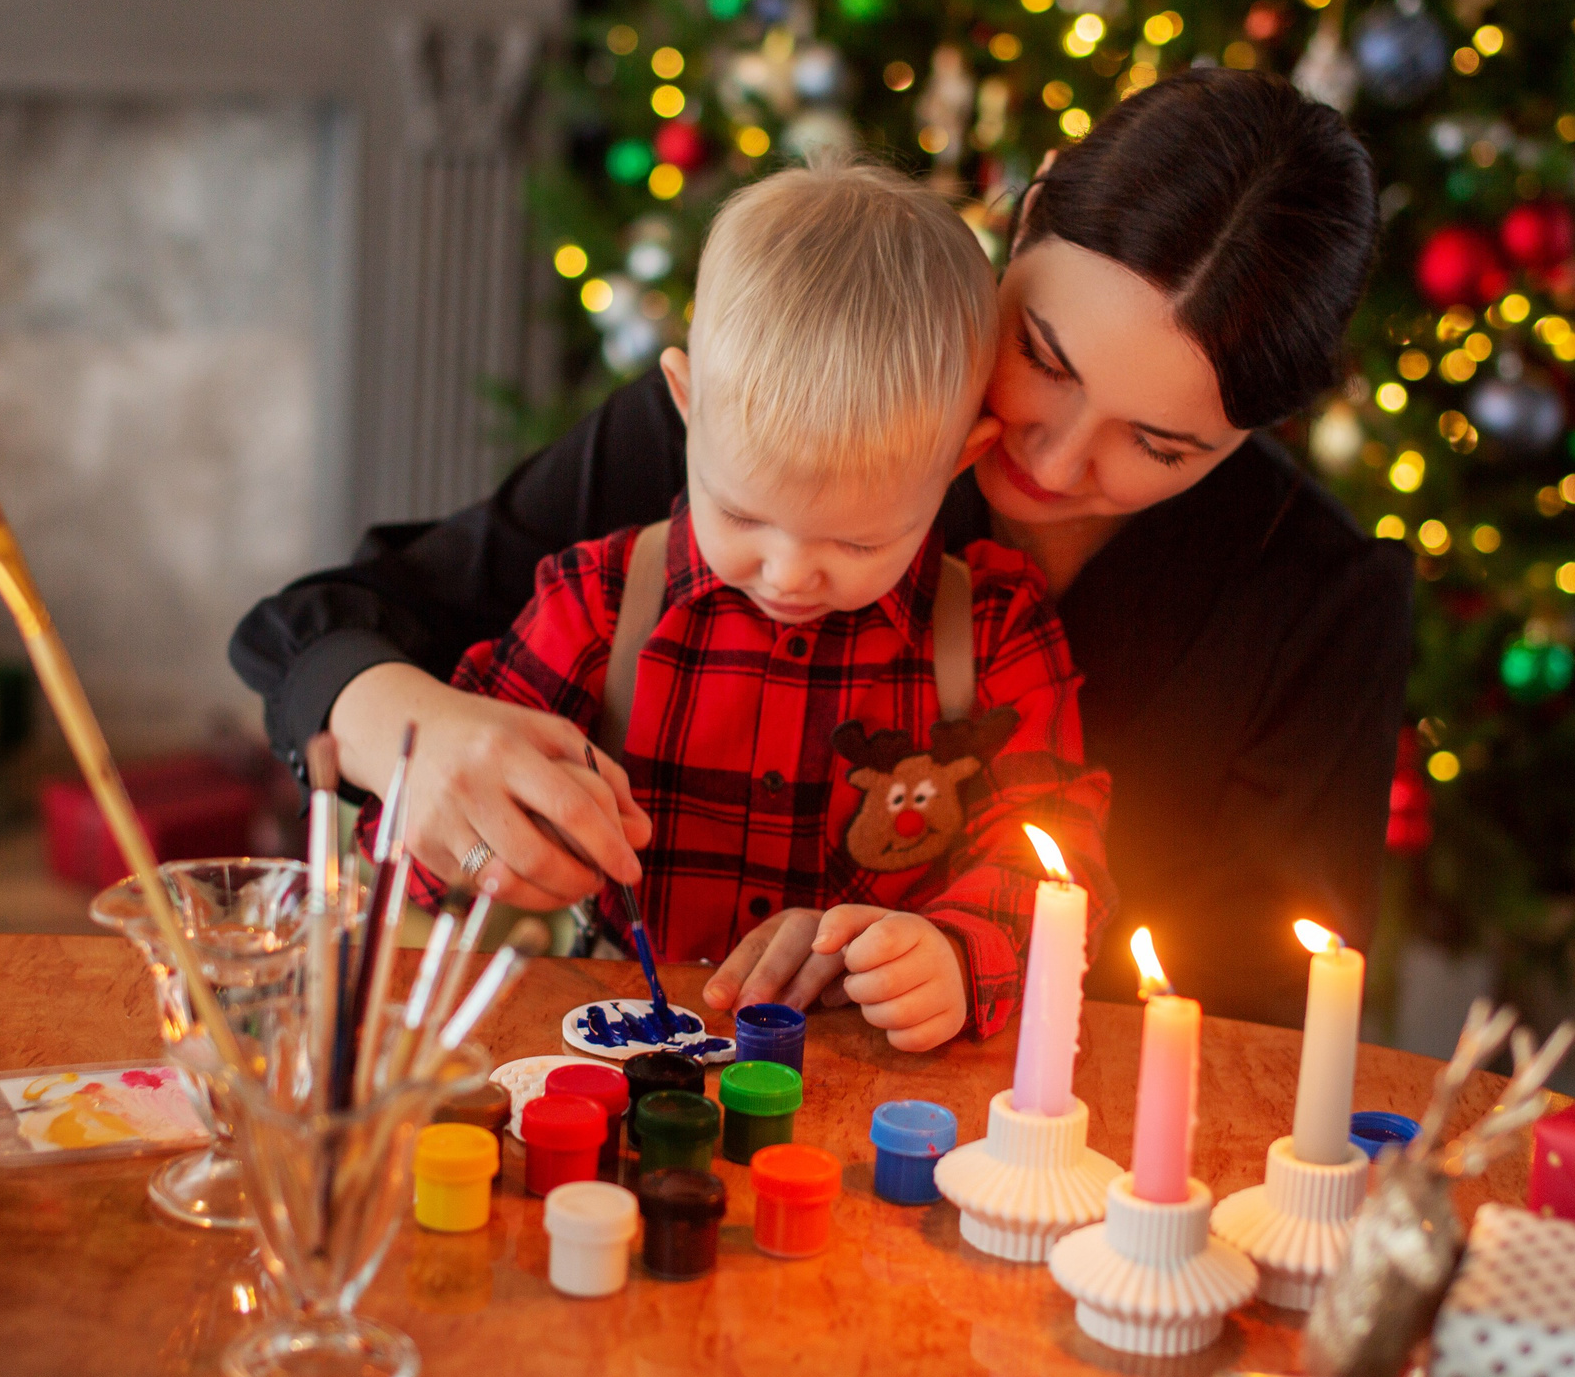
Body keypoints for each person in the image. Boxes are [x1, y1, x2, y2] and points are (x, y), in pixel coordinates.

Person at [232, 68, 1404, 1028]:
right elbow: (331, 622)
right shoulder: (767, 422)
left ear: (1261, 424)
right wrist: (413, 734)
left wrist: (917, 961)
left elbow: (1260, 1018)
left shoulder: (1314, 597)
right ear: (1032, 205)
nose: (1050, 460)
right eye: (1043, 359)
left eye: (1158, 445)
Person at [427, 160, 1111, 1052]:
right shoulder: (600, 603)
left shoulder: (991, 633)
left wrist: (949, 952)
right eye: (743, 514)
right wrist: (481, 837)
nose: (788, 574)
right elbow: (429, 809)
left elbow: (1058, 867)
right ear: (684, 405)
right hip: (617, 1060)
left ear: (956, 463)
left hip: (865, 1083)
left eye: (858, 541)